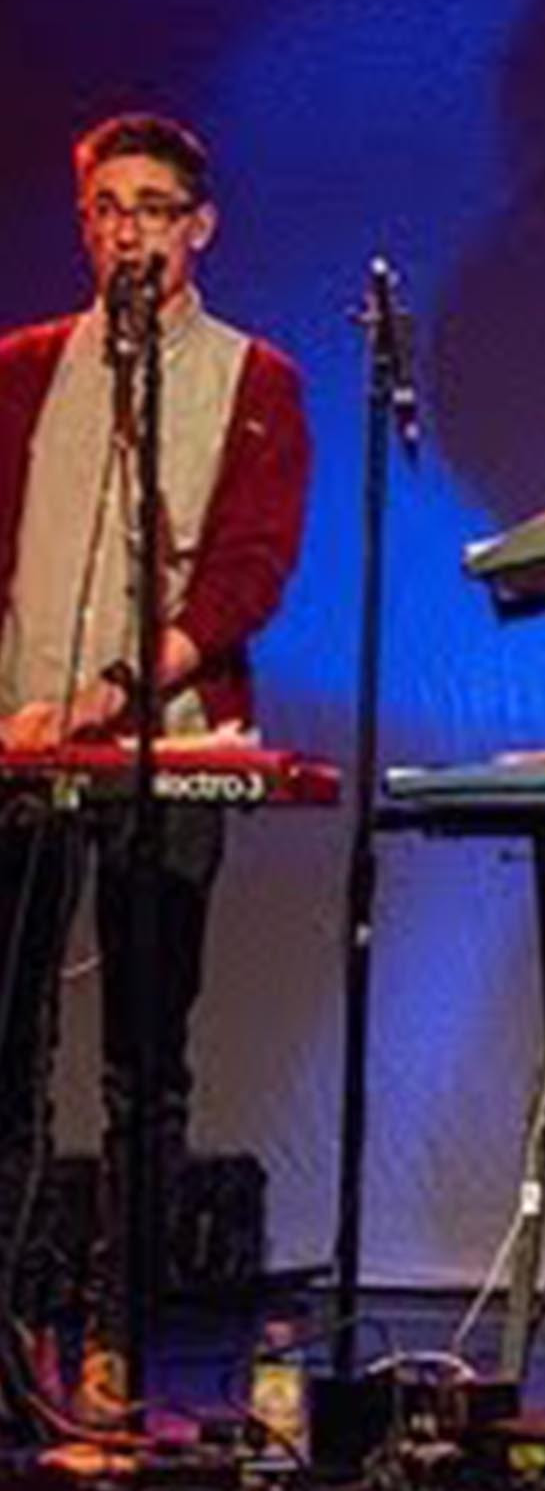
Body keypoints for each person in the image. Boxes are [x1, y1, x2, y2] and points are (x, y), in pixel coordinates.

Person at [0, 114, 311, 1413]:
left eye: (157, 206)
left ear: (202, 226)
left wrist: (122, 688)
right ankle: (15, 1327)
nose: (132, 228)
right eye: (111, 207)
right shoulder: (21, 368)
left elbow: (249, 572)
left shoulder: (256, 379)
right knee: (8, 1048)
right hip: (18, 745)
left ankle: (121, 1328)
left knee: (144, 1055)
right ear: (88, 224)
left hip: (170, 747)